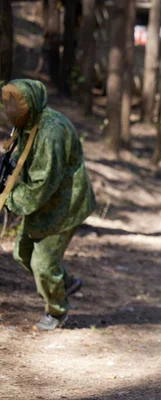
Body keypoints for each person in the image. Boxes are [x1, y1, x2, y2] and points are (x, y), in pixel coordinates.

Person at [0, 79, 97, 331]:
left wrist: (9, 197)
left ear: (29, 104)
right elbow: (22, 157)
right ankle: (65, 282)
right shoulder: (28, 123)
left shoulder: (52, 130)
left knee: (42, 265)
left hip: (65, 205)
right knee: (22, 252)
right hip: (42, 204)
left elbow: (43, 183)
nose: (11, 113)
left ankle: (56, 311)